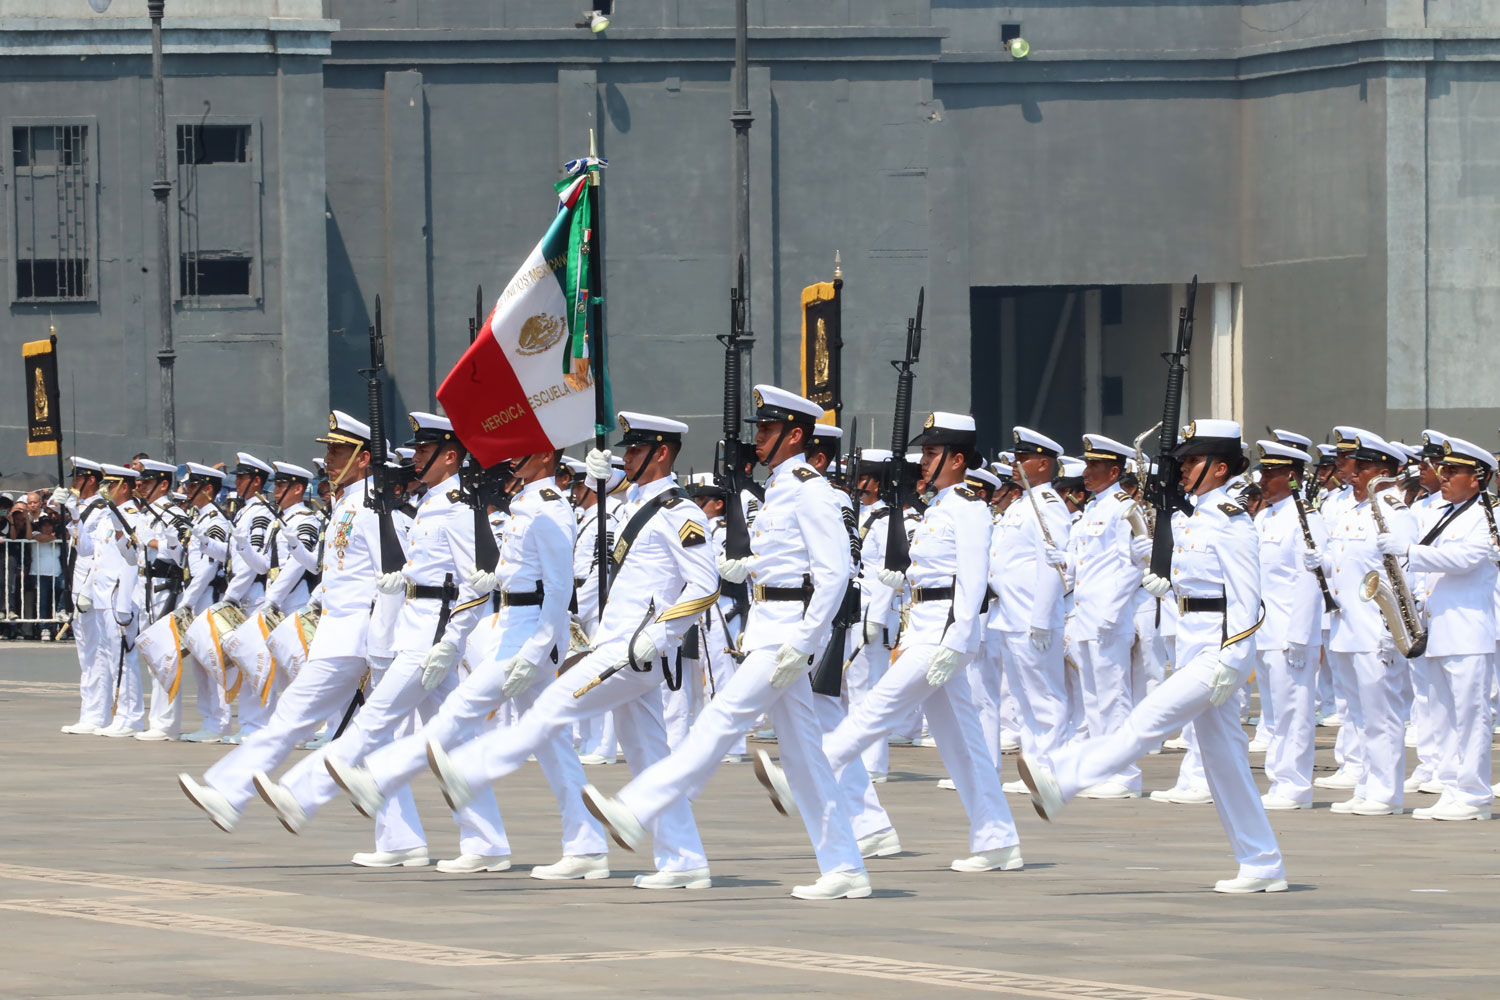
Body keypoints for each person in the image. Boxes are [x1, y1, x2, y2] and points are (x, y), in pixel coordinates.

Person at [332, 411, 711, 889]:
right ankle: (673, 858)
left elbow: (703, 585)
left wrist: (658, 635)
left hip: (631, 647)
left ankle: (426, 772)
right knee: (646, 753)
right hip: (611, 641)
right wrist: (607, 480)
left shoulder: (676, 511)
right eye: (625, 450)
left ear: (660, 453)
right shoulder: (629, 502)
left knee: (540, 713)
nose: (625, 457)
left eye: (635, 451)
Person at [562, 388, 871, 900]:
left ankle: (638, 806)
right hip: (771, 626)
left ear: (795, 436)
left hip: (789, 633)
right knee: (802, 757)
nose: (758, 439)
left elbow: (835, 573)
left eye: (768, 431)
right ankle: (845, 865)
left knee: (720, 718)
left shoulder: (810, 488)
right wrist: (748, 571)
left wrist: (807, 638)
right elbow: (783, 564)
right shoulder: (781, 488)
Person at [1020, 419, 1287, 894]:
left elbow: (1248, 600)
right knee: (1224, 762)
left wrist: (1234, 658)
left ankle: (1063, 778)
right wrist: (1154, 564)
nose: (1182, 469)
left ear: (1220, 467)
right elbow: (1189, 581)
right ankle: (1262, 862)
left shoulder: (1231, 520)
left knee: (1147, 719)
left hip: (1218, 650)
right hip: (1192, 644)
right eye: (1182, 461)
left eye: (1192, 461)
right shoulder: (1193, 516)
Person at [257, 413, 517, 872]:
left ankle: (299, 795)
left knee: (373, 721)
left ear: (450, 457)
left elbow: (479, 583)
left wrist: (450, 643)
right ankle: (485, 843)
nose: (415, 459)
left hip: (432, 636)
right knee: (453, 746)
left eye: (424, 451)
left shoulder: (458, 507)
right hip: (414, 630)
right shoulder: (432, 504)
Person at [765, 411, 1022, 874]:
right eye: (923, 452)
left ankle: (800, 776)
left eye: (931, 453)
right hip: (924, 625)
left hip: (942, 633)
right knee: (961, 743)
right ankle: (997, 837)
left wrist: (958, 638)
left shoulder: (968, 507)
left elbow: (972, 581)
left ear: (957, 458)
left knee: (872, 711)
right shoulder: (939, 507)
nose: (922, 461)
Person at [178, 411, 383, 832]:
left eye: (339, 451)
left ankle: (233, 793)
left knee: (328, 722)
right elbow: (342, 571)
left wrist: (380, 641)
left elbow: (388, 577)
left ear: (363, 458)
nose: (328, 459)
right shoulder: (346, 504)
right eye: (328, 450)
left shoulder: (373, 507)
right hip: (337, 630)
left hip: (359, 635)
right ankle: (402, 836)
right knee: (355, 731)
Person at [1391, 436, 1497, 820]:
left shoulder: (1487, 515)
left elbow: (1467, 558)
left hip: (1468, 631)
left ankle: (1474, 794)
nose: (1444, 476)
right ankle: (1452, 787)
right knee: (1444, 716)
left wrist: (1409, 551)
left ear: (1478, 478)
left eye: (1454, 471)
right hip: (1439, 629)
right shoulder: (1444, 512)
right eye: (1444, 469)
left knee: (1472, 715)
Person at [1310, 432, 1416, 816]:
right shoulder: (1352, 511)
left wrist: (1394, 630)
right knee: (1358, 713)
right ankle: (1368, 783)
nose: (1352, 472)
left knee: (1381, 714)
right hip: (1347, 626)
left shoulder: (1392, 510)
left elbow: (1407, 574)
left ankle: (1386, 793)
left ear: (1384, 472)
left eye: (1364, 466)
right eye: (1355, 465)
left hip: (1376, 629)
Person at [1062, 433, 1152, 798]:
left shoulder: (1122, 508)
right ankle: (1102, 769)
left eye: (1094, 466)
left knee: (1114, 698)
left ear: (1114, 471)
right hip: (1085, 617)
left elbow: (1135, 565)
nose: (1086, 472)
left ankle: (1125, 774)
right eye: (1086, 465)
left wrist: (1112, 613)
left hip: (1107, 618)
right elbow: (1080, 567)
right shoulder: (1091, 512)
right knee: (1094, 699)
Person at [988, 427, 1071, 787]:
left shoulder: (1047, 505)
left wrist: (1040, 617)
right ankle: (1034, 767)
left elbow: (1054, 563)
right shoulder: (1023, 504)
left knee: (1046, 697)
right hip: (1011, 614)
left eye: (1024, 459)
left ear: (1044, 463)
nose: (1015, 464)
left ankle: (1051, 770)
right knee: (1023, 698)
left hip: (1032, 618)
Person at [1251, 441, 1326, 810]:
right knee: (1273, 713)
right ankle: (1278, 779)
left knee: (1294, 712)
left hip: (1289, 634)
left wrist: (1299, 635)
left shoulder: (1306, 518)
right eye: (1263, 471)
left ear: (1292, 477)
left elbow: (1310, 580)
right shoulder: (1264, 517)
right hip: (1264, 631)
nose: (1263, 479)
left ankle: (1294, 785)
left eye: (1271, 473)